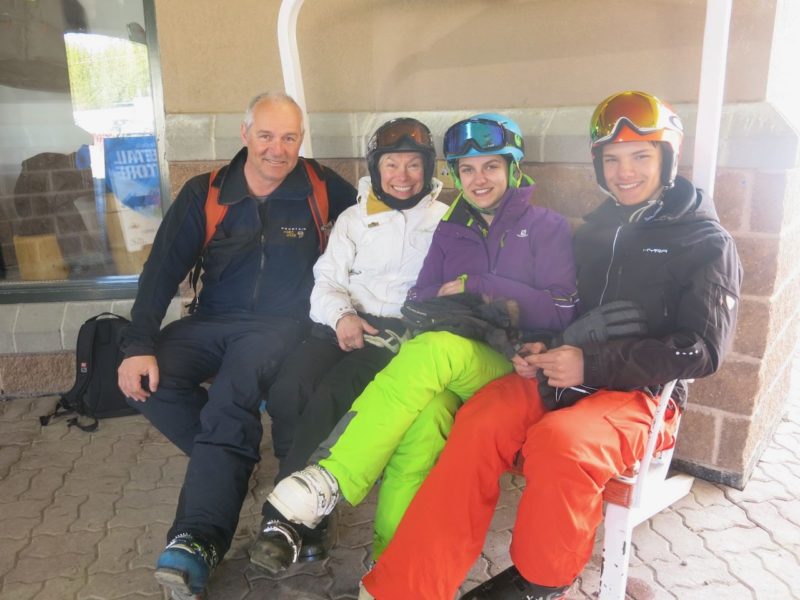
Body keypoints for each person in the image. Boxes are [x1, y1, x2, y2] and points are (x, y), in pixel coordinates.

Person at [359, 90, 743, 600]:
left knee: (560, 444)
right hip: (563, 377)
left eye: (640, 156)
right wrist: (540, 346)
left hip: (640, 397)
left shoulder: (704, 241)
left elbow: (702, 350)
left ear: (667, 158)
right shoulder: (595, 231)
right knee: (476, 421)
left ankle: (543, 579)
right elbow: (564, 311)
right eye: (612, 159)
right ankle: (405, 588)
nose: (624, 171)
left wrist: (592, 360)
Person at [265, 113, 579, 566]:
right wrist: (458, 297)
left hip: (517, 364)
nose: (479, 179)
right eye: (466, 169)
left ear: (513, 168)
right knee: (422, 426)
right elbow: (419, 298)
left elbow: (562, 308)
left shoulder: (546, 225)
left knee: (427, 350)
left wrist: (478, 285)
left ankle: (332, 477)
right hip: (465, 354)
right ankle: (390, 564)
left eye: (491, 166)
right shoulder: (454, 227)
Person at [116, 92, 357, 599]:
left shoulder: (318, 185)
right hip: (212, 320)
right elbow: (161, 272)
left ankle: (198, 537)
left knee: (232, 395)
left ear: (300, 140)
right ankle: (233, 463)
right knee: (146, 378)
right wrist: (137, 343)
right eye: (266, 135)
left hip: (280, 325)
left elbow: (376, 225)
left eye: (289, 137)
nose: (277, 148)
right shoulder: (206, 192)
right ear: (245, 134)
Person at [247, 117, 450, 573]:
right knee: (289, 388)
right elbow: (326, 281)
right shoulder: (355, 219)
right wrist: (342, 317)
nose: (401, 176)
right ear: (376, 168)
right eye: (391, 164)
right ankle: (313, 507)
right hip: (339, 322)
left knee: (330, 397)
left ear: (429, 168)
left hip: (392, 335)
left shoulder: (444, 222)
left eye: (413, 165)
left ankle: (283, 522)